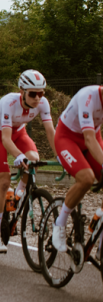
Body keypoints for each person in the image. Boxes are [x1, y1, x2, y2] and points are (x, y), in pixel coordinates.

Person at [0, 70, 55, 252]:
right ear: (22, 91)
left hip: (18, 132)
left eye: (41, 93)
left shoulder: (42, 103)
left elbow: (51, 132)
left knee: (34, 160)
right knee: (4, 181)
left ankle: (17, 195)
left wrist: (61, 155)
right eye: (33, 94)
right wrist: (18, 155)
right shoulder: (10, 102)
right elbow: (5, 139)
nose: (37, 98)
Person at [52, 84, 103, 253]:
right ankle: (60, 223)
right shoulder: (87, 96)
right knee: (86, 178)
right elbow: (89, 140)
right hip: (68, 138)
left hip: (93, 137)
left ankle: (99, 226)